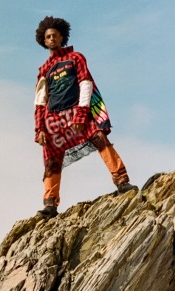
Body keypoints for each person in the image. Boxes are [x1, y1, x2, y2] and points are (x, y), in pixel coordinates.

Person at [33, 16, 138, 218]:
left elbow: (85, 83)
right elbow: (39, 100)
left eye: (55, 35)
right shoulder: (44, 70)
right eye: (48, 36)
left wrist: (82, 114)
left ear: (62, 36)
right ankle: (50, 204)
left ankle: (122, 182)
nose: (52, 38)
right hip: (53, 119)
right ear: (44, 41)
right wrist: (39, 129)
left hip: (77, 112)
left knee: (100, 138)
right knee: (51, 160)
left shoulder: (76, 58)